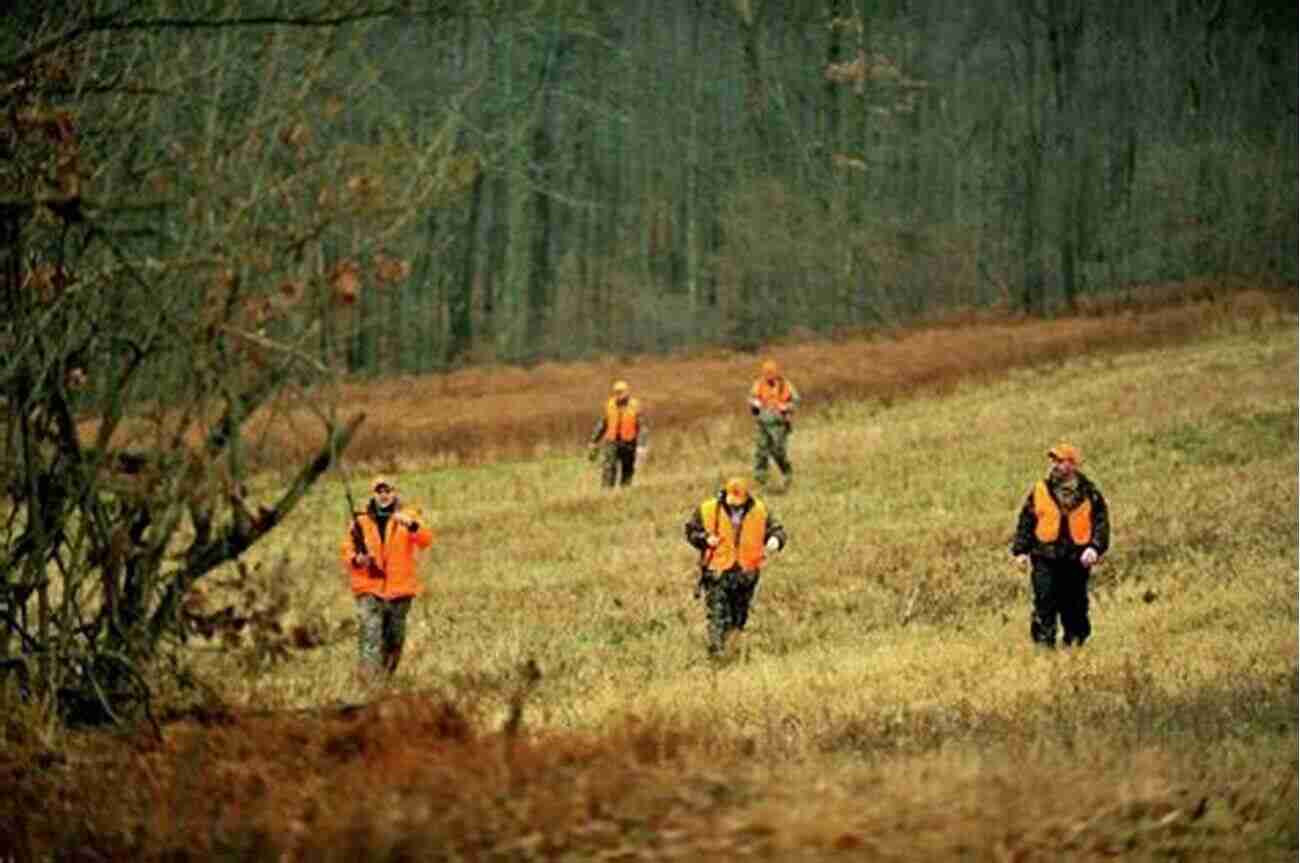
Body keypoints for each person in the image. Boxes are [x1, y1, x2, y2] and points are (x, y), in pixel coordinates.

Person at [1010, 443, 1110, 648]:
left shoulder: (1090, 492)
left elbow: (1101, 523)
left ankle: (1075, 644)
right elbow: (1027, 520)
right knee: (1044, 600)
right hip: (1044, 556)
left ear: (1072, 464)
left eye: (1060, 461)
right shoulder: (1040, 490)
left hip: (1076, 558)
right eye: (1053, 460)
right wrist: (1020, 551)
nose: (1054, 465)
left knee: (1074, 604)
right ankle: (1044, 646)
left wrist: (1095, 547)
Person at [340, 475, 434, 680]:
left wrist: (412, 526)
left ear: (395, 493)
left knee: (394, 640)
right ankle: (369, 682)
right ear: (373, 494)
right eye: (379, 492)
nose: (383, 495)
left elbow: (426, 540)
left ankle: (385, 679)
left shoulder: (408, 517)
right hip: (369, 588)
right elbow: (346, 549)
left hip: (400, 590)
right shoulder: (360, 522)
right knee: (370, 634)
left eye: (387, 491)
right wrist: (357, 559)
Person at [684, 476, 787, 657]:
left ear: (748, 497)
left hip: (746, 574)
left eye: (739, 503)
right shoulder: (708, 509)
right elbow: (691, 531)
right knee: (717, 615)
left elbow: (777, 530)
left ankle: (733, 650)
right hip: (717, 572)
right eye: (732, 503)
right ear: (725, 495)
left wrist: (775, 540)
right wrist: (704, 539)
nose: (735, 507)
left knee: (739, 617)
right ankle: (717, 653)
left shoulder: (760, 511)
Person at [748, 359, 800, 490]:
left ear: (777, 373)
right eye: (766, 373)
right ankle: (760, 479)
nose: (769, 375)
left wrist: (786, 407)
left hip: (779, 424)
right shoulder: (758, 384)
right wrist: (755, 403)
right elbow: (752, 398)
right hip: (763, 423)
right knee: (761, 451)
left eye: (771, 373)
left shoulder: (785, 385)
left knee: (778, 451)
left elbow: (796, 401)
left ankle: (786, 472)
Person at [588, 379, 648, 488]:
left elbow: (642, 428)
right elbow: (602, 424)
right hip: (612, 443)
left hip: (629, 443)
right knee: (608, 469)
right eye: (616, 392)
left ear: (627, 392)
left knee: (627, 469)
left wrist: (642, 446)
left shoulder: (635, 406)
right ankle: (606, 494)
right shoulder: (610, 405)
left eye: (621, 392)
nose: (618, 395)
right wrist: (593, 441)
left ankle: (624, 493)